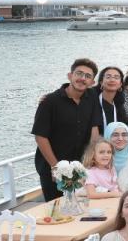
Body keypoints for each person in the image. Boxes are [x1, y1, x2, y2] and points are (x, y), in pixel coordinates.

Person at [33, 58, 101, 201]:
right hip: (52, 166)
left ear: (92, 82)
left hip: (81, 167)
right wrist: (55, 167)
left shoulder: (92, 97)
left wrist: (90, 161)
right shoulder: (49, 102)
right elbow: (40, 136)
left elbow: (94, 129)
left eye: (88, 76)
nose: (82, 78)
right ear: (70, 76)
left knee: (82, 205)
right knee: (57, 207)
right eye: (79, 73)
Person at [102, 122, 128, 192]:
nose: (120, 138)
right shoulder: (99, 160)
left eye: (124, 135)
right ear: (107, 136)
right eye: (115, 135)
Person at [93, 65, 126, 131]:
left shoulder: (119, 106)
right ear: (101, 82)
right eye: (108, 77)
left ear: (120, 84)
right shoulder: (92, 101)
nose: (112, 80)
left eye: (116, 77)